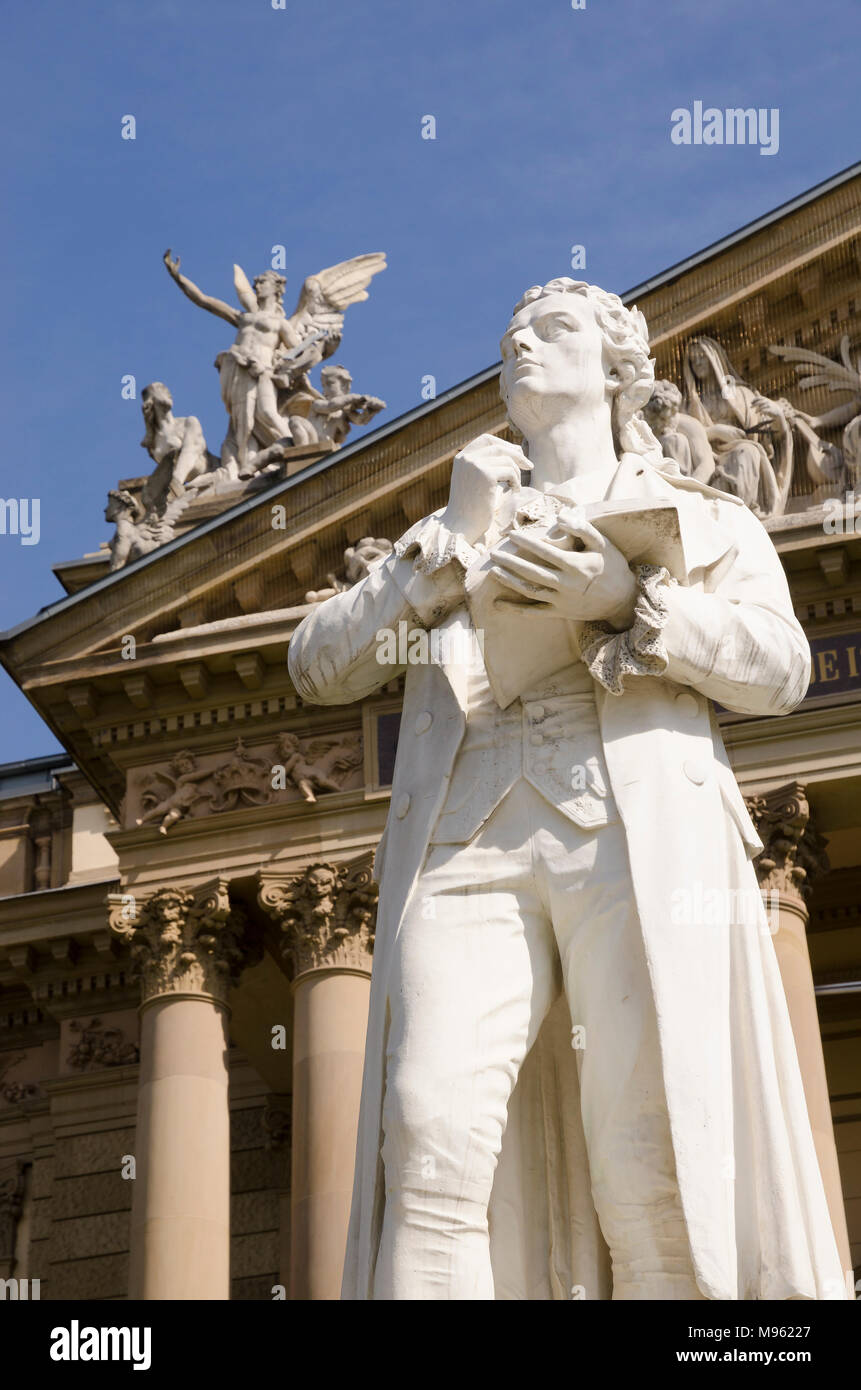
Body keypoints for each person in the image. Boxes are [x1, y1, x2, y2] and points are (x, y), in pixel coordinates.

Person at [288, 278, 848, 1301]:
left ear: (616, 367)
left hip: (628, 835)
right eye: (511, 336)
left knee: (651, 1142)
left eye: (551, 330)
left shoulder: (704, 517)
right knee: (426, 1130)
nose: (521, 345)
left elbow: (780, 668)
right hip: (467, 838)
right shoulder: (453, 523)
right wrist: (435, 560)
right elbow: (315, 665)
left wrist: (631, 603)